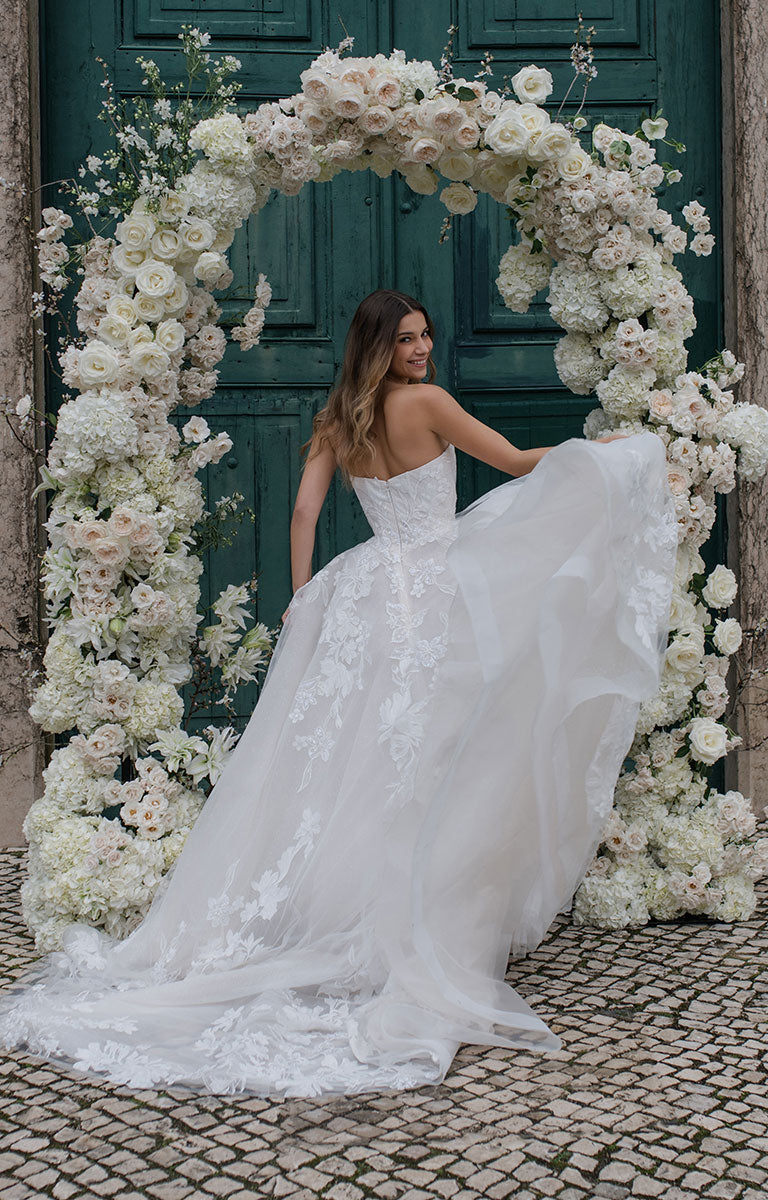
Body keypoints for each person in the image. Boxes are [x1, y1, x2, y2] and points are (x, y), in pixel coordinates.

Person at [0, 289, 678, 1098]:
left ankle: (354, 905)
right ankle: (404, 913)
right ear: (378, 347)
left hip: (363, 593)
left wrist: (302, 594)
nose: (422, 350)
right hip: (436, 587)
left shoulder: (336, 420)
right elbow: (514, 461)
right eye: (407, 340)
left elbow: (304, 512)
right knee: (427, 748)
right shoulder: (428, 403)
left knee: (349, 757)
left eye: (425, 336)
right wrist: (600, 451)